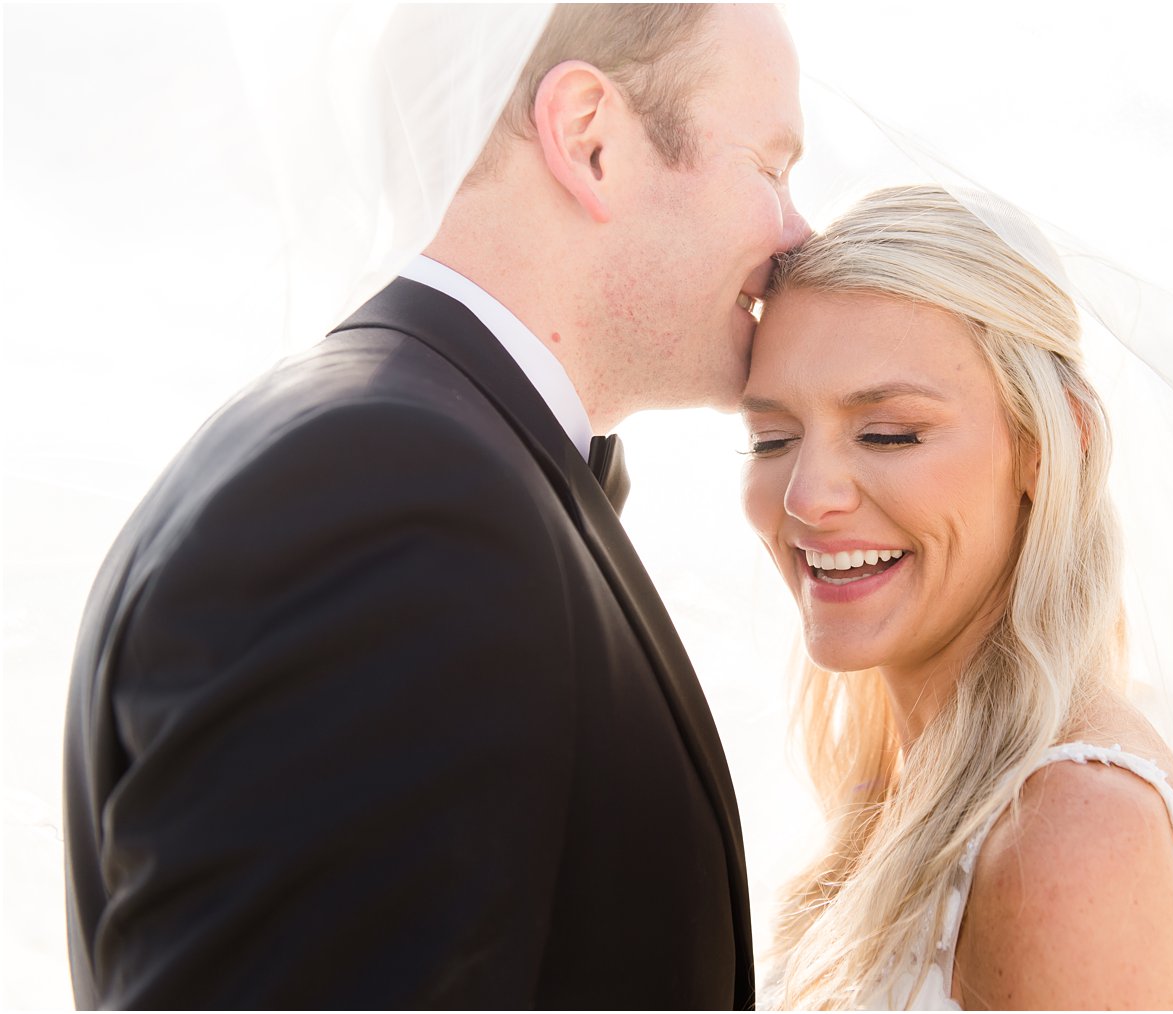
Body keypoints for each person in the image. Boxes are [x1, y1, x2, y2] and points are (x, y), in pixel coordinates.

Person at [62, 4, 807, 1008]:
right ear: (589, 140)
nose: (797, 235)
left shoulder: (412, 453)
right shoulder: (391, 498)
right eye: (770, 168)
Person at [740, 185, 1173, 1009]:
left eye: (890, 433)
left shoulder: (1073, 831)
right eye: (772, 440)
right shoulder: (908, 781)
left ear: (1048, 445)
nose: (806, 496)